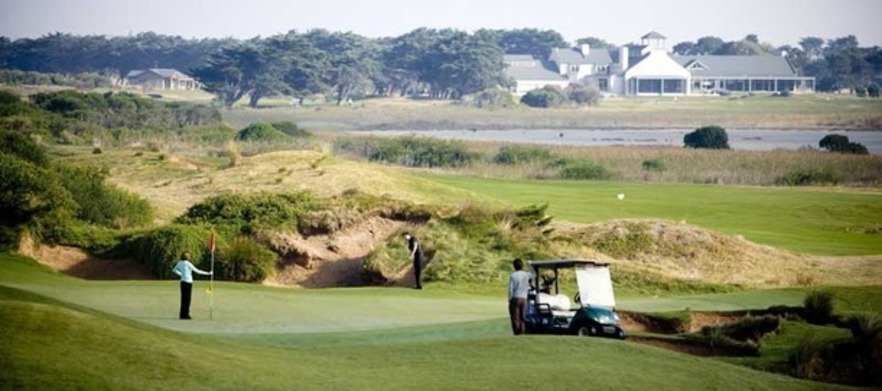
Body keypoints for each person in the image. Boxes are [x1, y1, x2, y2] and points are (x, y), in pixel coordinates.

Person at [172, 252, 212, 320]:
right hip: (188, 283)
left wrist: (181, 275)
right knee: (187, 299)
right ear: (187, 257)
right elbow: (197, 271)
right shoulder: (188, 264)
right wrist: (208, 273)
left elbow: (174, 270)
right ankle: (186, 315)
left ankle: (182, 315)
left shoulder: (180, 263)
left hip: (182, 282)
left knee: (183, 299)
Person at [508, 258, 532, 335]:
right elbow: (534, 274)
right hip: (524, 298)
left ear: (514, 266)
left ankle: (516, 333)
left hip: (516, 297)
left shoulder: (513, 275)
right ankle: (522, 332)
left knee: (515, 317)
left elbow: (511, 288)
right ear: (522, 266)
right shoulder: (526, 274)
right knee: (522, 317)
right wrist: (530, 265)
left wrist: (510, 298)